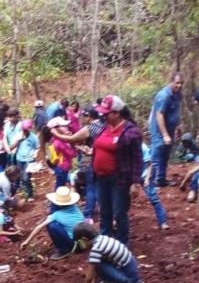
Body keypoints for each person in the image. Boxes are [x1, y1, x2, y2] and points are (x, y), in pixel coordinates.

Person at [50, 95, 142, 245]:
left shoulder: (130, 132)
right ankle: (103, 244)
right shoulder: (103, 128)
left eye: (106, 113)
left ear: (117, 112)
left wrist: (135, 183)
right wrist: (91, 152)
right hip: (100, 177)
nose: (102, 115)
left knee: (119, 214)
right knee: (104, 212)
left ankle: (122, 245)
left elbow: (137, 159)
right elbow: (99, 148)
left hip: (119, 180)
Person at [73, 222, 142, 283]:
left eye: (80, 243)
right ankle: (109, 281)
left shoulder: (96, 249)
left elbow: (89, 276)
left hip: (128, 279)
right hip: (132, 273)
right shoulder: (102, 238)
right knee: (97, 262)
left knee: (96, 264)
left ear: (84, 239)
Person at [20, 187, 85, 260]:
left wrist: (27, 241)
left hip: (74, 245)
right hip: (83, 242)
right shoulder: (75, 207)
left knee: (52, 226)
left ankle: (64, 251)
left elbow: (39, 227)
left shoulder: (57, 215)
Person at [149, 72, 185, 187]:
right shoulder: (163, 96)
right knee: (157, 154)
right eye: (177, 83)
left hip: (170, 129)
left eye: (181, 83)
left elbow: (175, 112)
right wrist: (164, 134)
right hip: (159, 130)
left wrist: (177, 126)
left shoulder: (178, 94)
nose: (179, 86)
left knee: (165, 155)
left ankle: (161, 179)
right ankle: (152, 181)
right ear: (172, 81)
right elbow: (159, 115)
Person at [9, 120, 40, 201]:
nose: (25, 131)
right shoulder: (18, 136)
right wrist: (18, 140)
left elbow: (37, 147)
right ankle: (14, 194)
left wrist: (35, 153)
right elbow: (11, 147)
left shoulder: (34, 137)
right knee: (17, 177)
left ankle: (30, 195)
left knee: (26, 178)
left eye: (26, 130)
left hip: (29, 160)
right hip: (19, 159)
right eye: (24, 130)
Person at [141, 143, 170, 229]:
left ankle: (163, 221)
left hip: (144, 175)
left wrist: (147, 178)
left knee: (154, 198)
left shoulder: (143, 148)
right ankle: (116, 221)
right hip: (130, 177)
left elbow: (150, 164)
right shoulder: (125, 146)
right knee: (122, 200)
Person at [44, 117, 78, 190]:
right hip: (62, 167)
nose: (67, 127)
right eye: (64, 126)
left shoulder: (58, 139)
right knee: (60, 188)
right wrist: (71, 141)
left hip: (60, 167)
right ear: (56, 130)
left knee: (60, 184)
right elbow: (73, 154)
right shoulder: (59, 142)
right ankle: (54, 201)